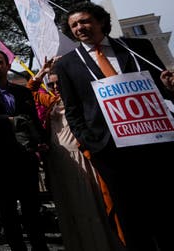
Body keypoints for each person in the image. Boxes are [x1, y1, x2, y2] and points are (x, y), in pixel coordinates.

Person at [54, 1, 174, 251]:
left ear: (100, 21)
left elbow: (162, 89)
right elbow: (74, 110)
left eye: (85, 21)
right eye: (74, 25)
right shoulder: (67, 64)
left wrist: (170, 87)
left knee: (165, 211)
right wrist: (91, 143)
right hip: (110, 151)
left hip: (155, 145)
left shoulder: (137, 48)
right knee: (131, 218)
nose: (79, 27)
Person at [28, 57, 124, 251]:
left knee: (94, 203)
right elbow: (30, 91)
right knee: (70, 205)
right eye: (52, 83)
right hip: (59, 160)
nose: (55, 86)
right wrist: (43, 72)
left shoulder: (85, 100)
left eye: (59, 82)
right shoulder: (52, 102)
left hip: (85, 158)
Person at [0, 49, 49, 251]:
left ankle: (40, 246)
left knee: (32, 207)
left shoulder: (21, 91)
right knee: (7, 209)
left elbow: (32, 119)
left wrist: (41, 141)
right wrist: (12, 121)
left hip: (25, 156)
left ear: (8, 66)